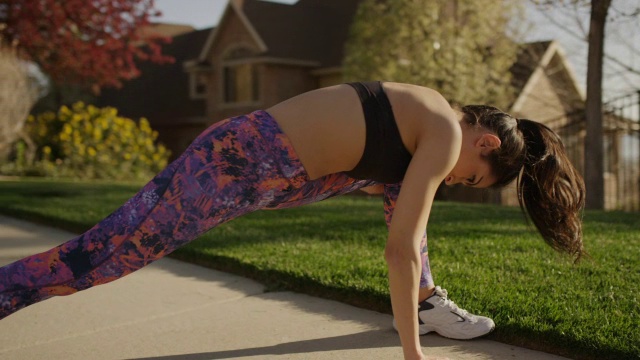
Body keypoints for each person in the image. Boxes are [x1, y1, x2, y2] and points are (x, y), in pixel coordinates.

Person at [0, 81, 585, 360]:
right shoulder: (440, 132)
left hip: (265, 167)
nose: (458, 182)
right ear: (483, 140)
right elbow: (400, 249)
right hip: (232, 167)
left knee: (405, 195)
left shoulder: (427, 119)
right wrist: (411, 356)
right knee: (104, 257)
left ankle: (427, 302)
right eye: (472, 177)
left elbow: (406, 223)